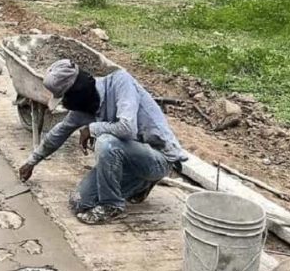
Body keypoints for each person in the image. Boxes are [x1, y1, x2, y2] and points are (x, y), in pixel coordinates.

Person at [18, 59, 188, 224]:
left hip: (159, 158)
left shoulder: (121, 82)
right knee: (79, 202)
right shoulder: (84, 107)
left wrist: (91, 129)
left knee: (106, 142)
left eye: (65, 99)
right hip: (129, 160)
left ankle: (111, 205)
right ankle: (140, 185)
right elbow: (59, 132)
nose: (66, 105)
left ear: (76, 92)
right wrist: (32, 162)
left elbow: (128, 128)